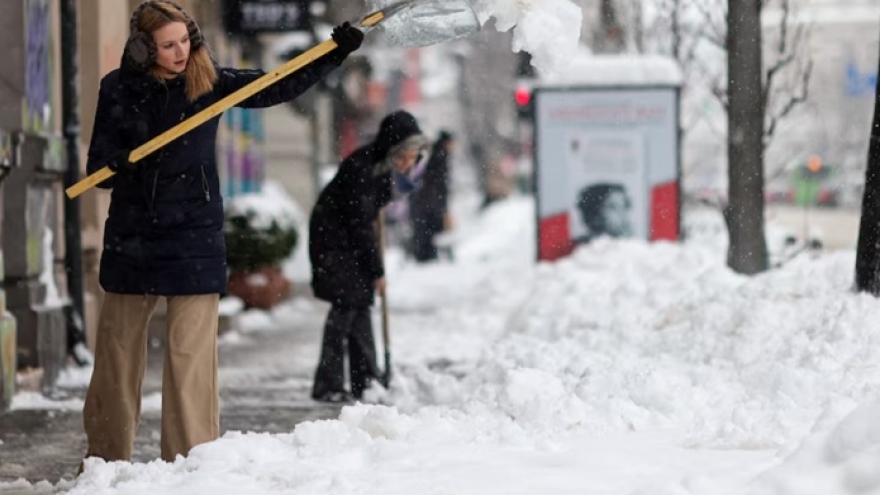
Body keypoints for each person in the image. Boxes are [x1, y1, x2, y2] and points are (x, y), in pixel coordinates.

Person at [81, 0, 363, 465]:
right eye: (167, 45)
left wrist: (332, 53)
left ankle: (192, 462)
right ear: (141, 48)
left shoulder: (208, 82)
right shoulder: (117, 89)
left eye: (185, 42)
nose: (179, 52)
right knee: (116, 357)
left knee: (190, 360)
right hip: (133, 235)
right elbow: (99, 167)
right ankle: (105, 462)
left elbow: (277, 86)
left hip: (193, 234)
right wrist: (116, 167)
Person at [309, 110, 428, 403]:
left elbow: (369, 217)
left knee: (359, 305)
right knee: (345, 308)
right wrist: (377, 271)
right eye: (406, 156)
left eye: (414, 157)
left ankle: (367, 380)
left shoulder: (380, 167)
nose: (409, 163)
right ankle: (329, 384)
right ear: (392, 149)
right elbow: (360, 224)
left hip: (347, 240)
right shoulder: (363, 169)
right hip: (334, 241)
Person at [409, 130, 454, 262]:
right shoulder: (440, 155)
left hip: (425, 200)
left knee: (426, 228)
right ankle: (427, 255)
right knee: (431, 227)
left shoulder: (434, 153)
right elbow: (439, 180)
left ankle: (425, 254)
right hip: (431, 200)